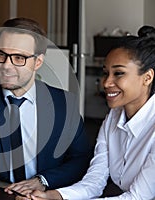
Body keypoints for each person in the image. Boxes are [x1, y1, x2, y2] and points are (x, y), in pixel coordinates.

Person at [0, 17, 92, 194]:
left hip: (42, 195)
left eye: (18, 58)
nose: (6, 65)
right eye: (1, 55)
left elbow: (81, 158)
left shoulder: (64, 103)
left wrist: (43, 181)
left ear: (38, 62)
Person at [27, 25, 155, 200]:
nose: (106, 82)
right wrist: (52, 196)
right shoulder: (113, 117)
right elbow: (94, 182)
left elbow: (138, 197)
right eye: (105, 73)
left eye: (118, 73)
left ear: (147, 77)